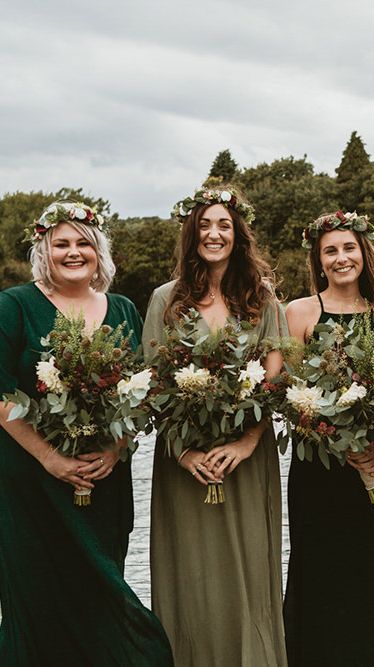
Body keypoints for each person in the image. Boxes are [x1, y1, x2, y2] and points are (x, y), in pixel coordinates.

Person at [0, 201, 172, 665]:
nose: (73, 252)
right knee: (39, 595)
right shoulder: (14, 305)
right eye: (62, 244)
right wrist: (50, 459)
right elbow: (0, 394)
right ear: (44, 250)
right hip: (31, 484)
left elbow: (141, 391)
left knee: (105, 591)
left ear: (99, 251)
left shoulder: (122, 308)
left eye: (84, 243)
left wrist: (116, 450)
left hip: (104, 481)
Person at [142, 185, 287, 666]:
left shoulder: (262, 299)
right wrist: (184, 452)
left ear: (238, 234)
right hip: (185, 462)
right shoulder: (165, 300)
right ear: (190, 233)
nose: (213, 233)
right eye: (204, 224)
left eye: (223, 224)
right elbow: (153, 387)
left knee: (248, 575)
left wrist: (246, 443)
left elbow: (274, 383)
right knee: (193, 578)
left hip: (246, 462)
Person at [283, 211, 374, 666]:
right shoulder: (299, 312)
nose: (341, 258)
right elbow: (285, 390)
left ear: (364, 253)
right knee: (321, 572)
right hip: (318, 466)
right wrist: (332, 432)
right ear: (318, 260)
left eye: (349, 248)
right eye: (330, 251)